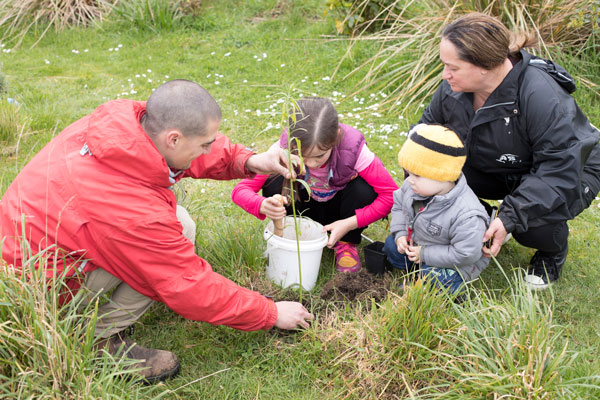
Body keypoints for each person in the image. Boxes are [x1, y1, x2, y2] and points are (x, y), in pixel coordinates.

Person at [0, 80, 314, 383]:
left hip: (41, 249)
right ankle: (93, 339)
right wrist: (270, 312)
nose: (207, 151)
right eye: (204, 145)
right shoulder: (132, 210)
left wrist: (251, 160)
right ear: (173, 140)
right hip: (37, 295)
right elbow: (186, 284)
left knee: (181, 222)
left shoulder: (119, 129)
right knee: (167, 254)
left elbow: (173, 153)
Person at [418, 12, 600, 289]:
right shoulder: (452, 89)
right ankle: (479, 216)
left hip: (571, 169)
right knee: (436, 183)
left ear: (484, 65)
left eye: (452, 67)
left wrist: (510, 216)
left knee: (532, 225)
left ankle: (551, 251)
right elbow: (425, 139)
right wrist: (416, 190)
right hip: (498, 164)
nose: (445, 75)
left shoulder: (543, 97)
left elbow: (557, 171)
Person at [231, 97, 398, 273]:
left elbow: (391, 195)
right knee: (274, 181)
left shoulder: (354, 152)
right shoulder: (281, 150)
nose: (310, 164)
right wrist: (261, 205)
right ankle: (292, 235)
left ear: (334, 141)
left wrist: (349, 224)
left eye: (319, 156)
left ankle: (346, 242)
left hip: (340, 213)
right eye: (301, 155)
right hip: (303, 211)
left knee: (363, 190)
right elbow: (240, 190)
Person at [383, 124, 490, 294]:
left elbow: (466, 254)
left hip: (454, 262)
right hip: (420, 244)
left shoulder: (467, 215)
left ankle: (446, 287)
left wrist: (425, 254)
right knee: (391, 246)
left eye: (417, 175)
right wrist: (401, 234)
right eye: (408, 173)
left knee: (435, 278)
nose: (409, 180)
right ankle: (417, 269)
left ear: (443, 176)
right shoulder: (412, 187)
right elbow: (398, 207)